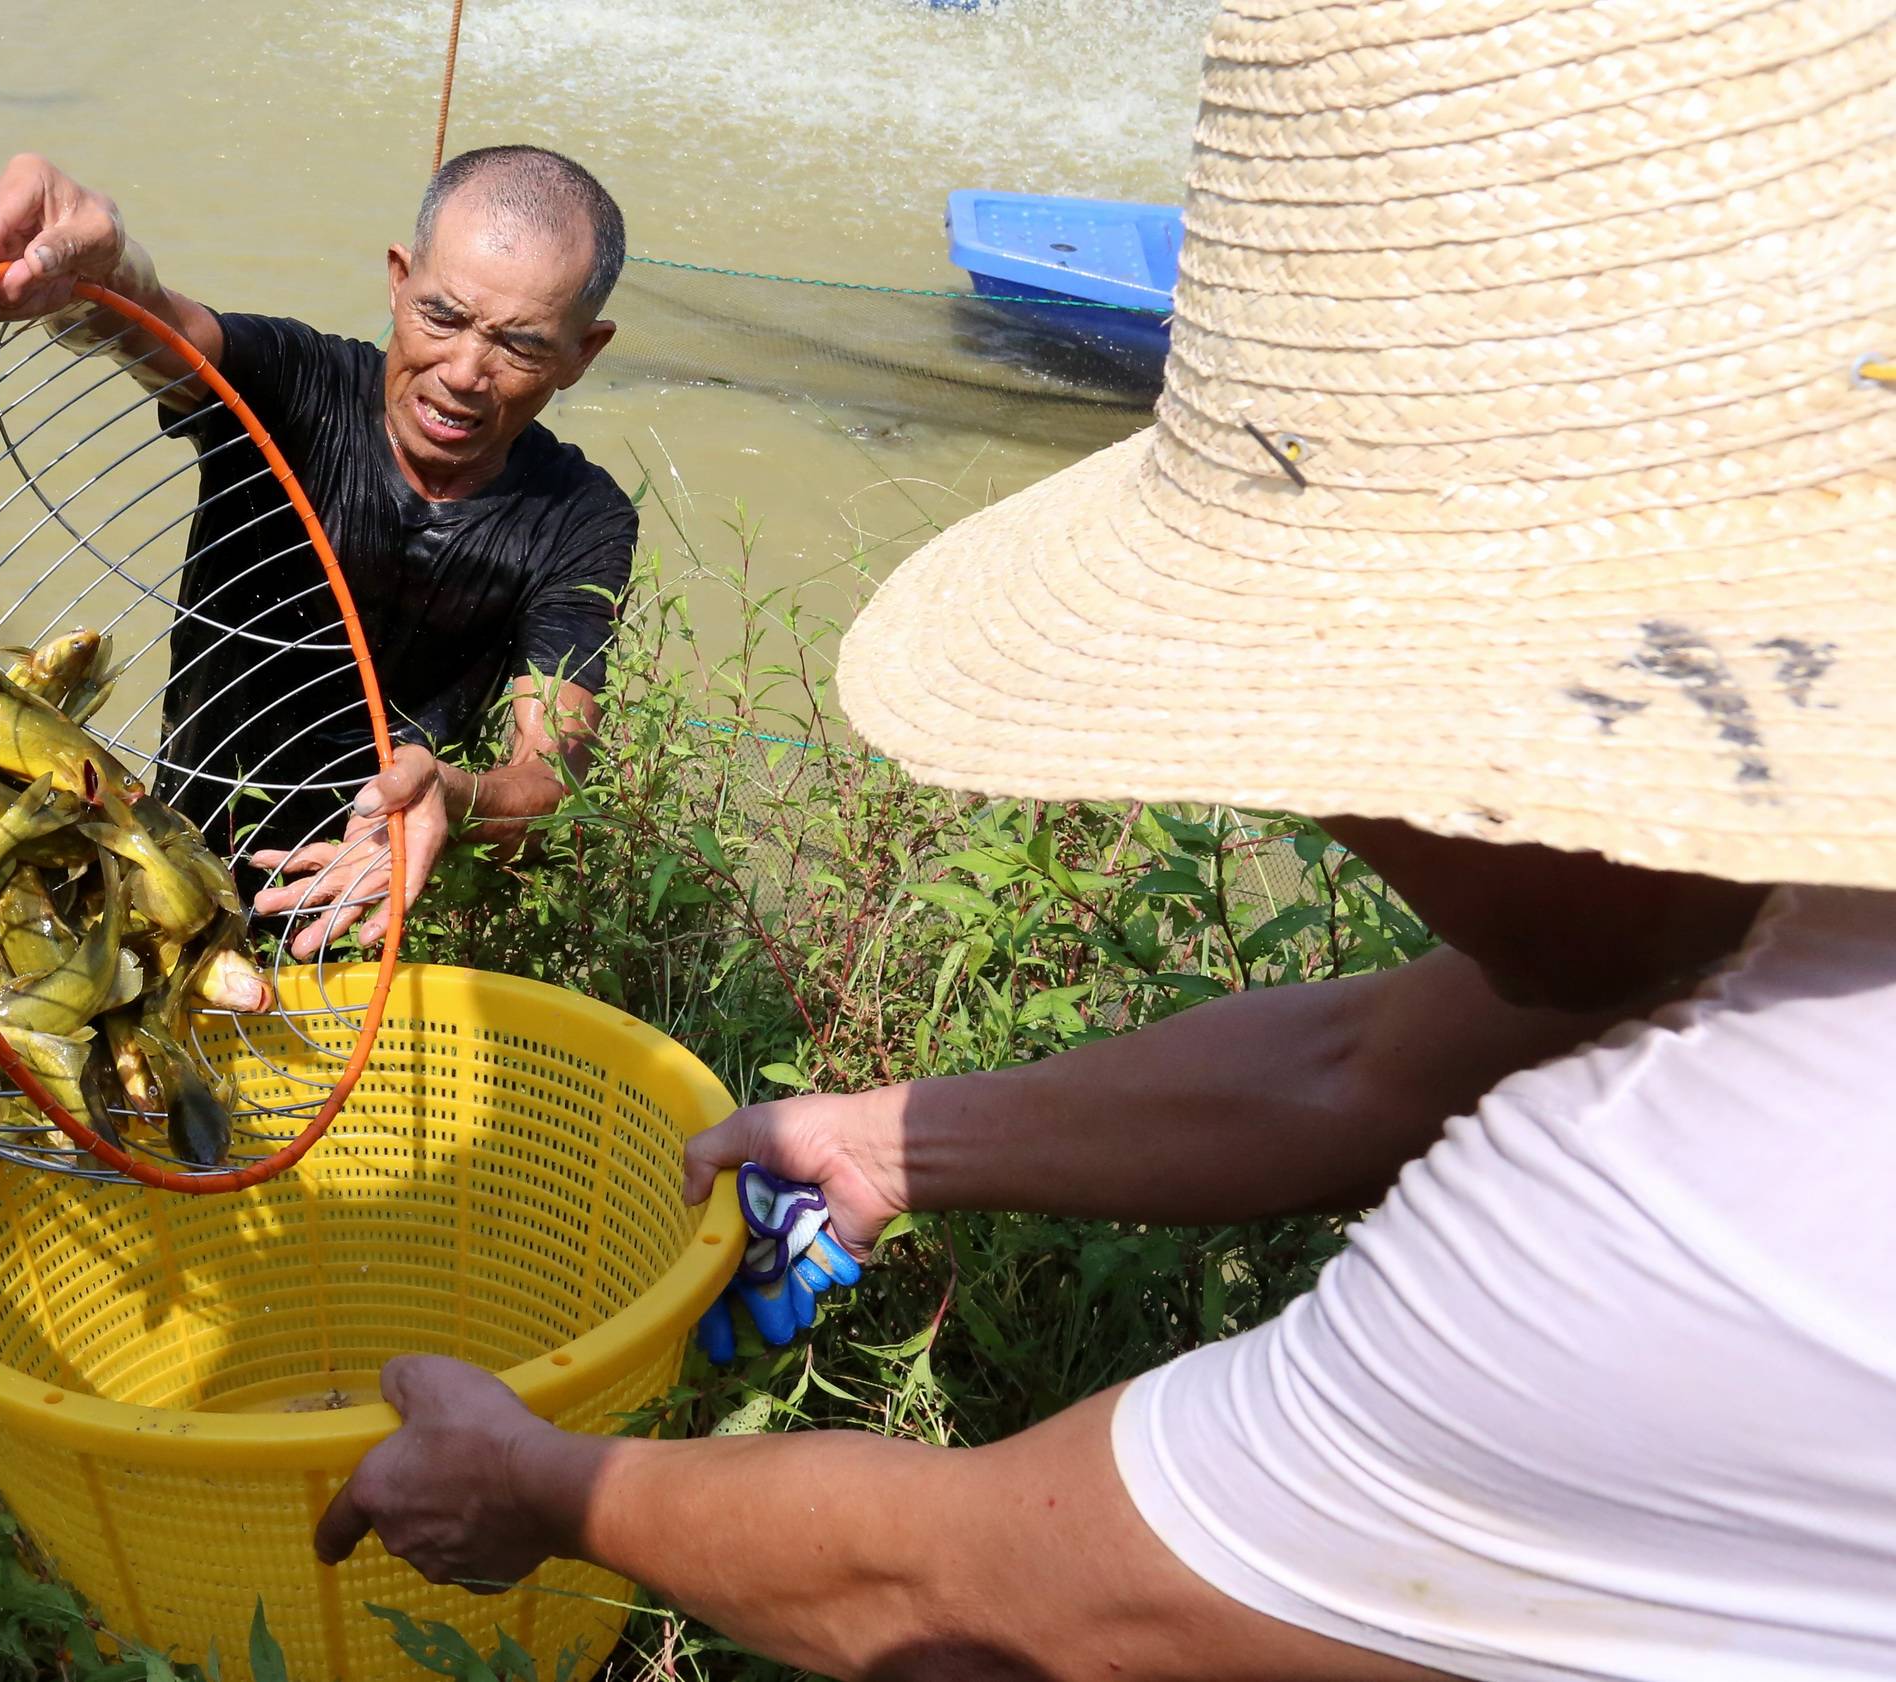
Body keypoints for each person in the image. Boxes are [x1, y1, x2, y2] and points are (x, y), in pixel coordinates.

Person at [307, 5, 1896, 1679]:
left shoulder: (1680, 1219)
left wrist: (542, 1485)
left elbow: (985, 1593)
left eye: (1277, 707)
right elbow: (1363, 1065)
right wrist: (894, 1139)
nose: (1298, 793)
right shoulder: (1788, 911)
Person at [0, 145, 638, 956]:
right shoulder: (297, 385)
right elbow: (148, 323)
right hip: (174, 863)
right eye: (442, 316)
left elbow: (551, 778)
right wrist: (100, 271)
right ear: (398, 280)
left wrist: (452, 797)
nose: (462, 373)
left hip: (371, 911)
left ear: (583, 353)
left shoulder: (581, 518)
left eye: (519, 347)